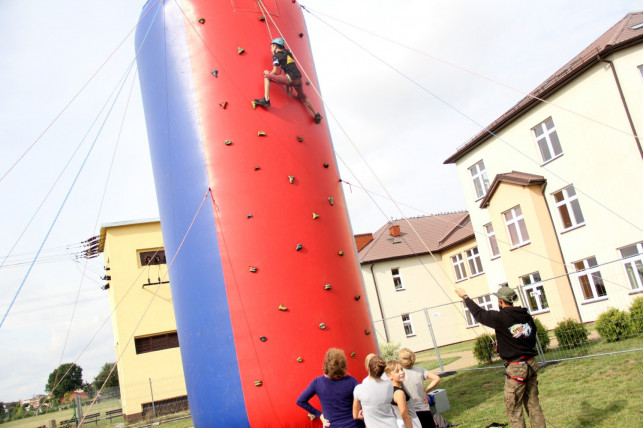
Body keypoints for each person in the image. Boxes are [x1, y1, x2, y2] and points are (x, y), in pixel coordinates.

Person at [455, 287, 545, 428]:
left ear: (501, 301)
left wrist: (465, 297)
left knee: (514, 409)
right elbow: (528, 339)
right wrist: (503, 346)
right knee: (533, 405)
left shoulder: (501, 317)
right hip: (531, 365)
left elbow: (479, 314)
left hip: (517, 369)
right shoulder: (526, 316)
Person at [254, 37, 323, 124]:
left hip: (289, 79)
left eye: (272, 46)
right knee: (303, 97)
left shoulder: (276, 56)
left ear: (275, 46)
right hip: (298, 78)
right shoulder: (288, 52)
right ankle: (316, 114)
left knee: (267, 76)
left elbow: (275, 71)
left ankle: (266, 99)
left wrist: (268, 73)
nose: (271, 48)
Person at [297, 348, 365, 427]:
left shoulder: (318, 382)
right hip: (354, 425)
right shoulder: (351, 381)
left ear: (326, 365)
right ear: (343, 365)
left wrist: (319, 415)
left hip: (332, 425)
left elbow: (301, 401)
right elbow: (364, 401)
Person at [398, 348, 440, 428]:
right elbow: (436, 378)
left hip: (411, 413)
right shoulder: (420, 370)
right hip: (424, 409)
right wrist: (426, 391)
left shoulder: (399, 374)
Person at [353, 355, 397, 428]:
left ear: (368, 368)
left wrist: (364, 411)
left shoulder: (359, 389)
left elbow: (355, 415)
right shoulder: (389, 384)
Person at [385, 360, 422, 428]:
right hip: (410, 423)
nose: (402, 372)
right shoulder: (399, 393)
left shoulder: (391, 389)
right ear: (389, 376)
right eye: (397, 371)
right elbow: (405, 417)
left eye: (401, 369)